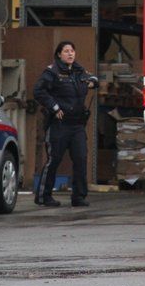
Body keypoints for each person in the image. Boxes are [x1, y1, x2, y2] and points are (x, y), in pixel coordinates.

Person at [33, 41, 98, 208]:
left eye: (72, 51)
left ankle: (79, 197)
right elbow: (39, 91)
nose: (70, 54)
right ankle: (44, 196)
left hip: (77, 125)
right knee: (54, 160)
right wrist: (54, 107)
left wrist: (92, 82)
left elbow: (93, 79)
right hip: (59, 124)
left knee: (81, 158)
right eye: (66, 51)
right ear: (59, 54)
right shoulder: (52, 72)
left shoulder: (78, 71)